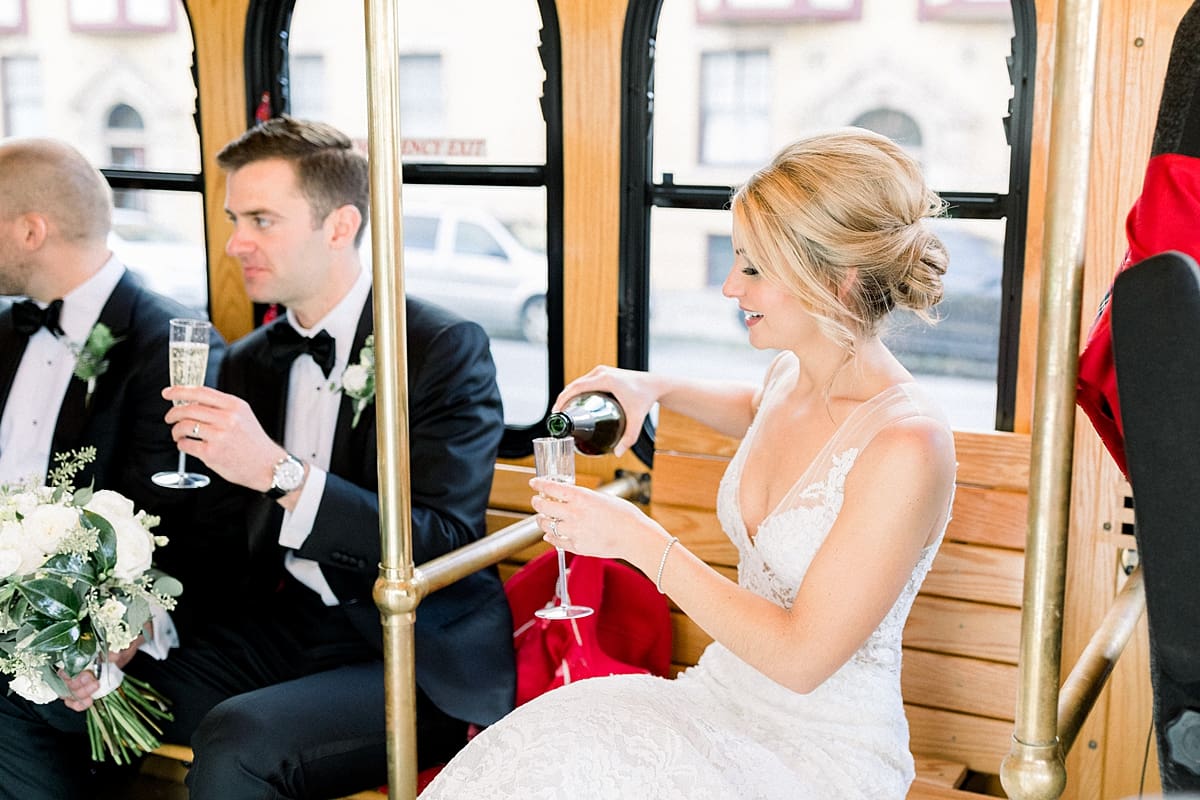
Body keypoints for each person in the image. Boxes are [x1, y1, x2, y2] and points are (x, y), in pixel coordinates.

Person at [421, 128, 958, 800]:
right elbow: (758, 407)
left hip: (819, 750)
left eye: (754, 268)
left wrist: (640, 543)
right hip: (720, 696)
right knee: (534, 748)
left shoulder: (909, 447)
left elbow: (800, 659)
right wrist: (654, 387)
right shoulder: (795, 375)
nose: (732, 286)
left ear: (837, 280)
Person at [132, 116, 510, 799]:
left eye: (261, 220)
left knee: (240, 742)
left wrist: (281, 476)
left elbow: (444, 541)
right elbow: (216, 539)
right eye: (231, 218)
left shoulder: (442, 348)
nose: (235, 242)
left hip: (407, 653)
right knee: (82, 685)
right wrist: (139, 619)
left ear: (339, 227)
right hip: (279, 631)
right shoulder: (248, 362)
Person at [0, 138, 227, 796]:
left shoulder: (169, 344)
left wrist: (94, 628)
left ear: (30, 230)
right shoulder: (7, 332)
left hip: (106, 626)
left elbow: (167, 528)